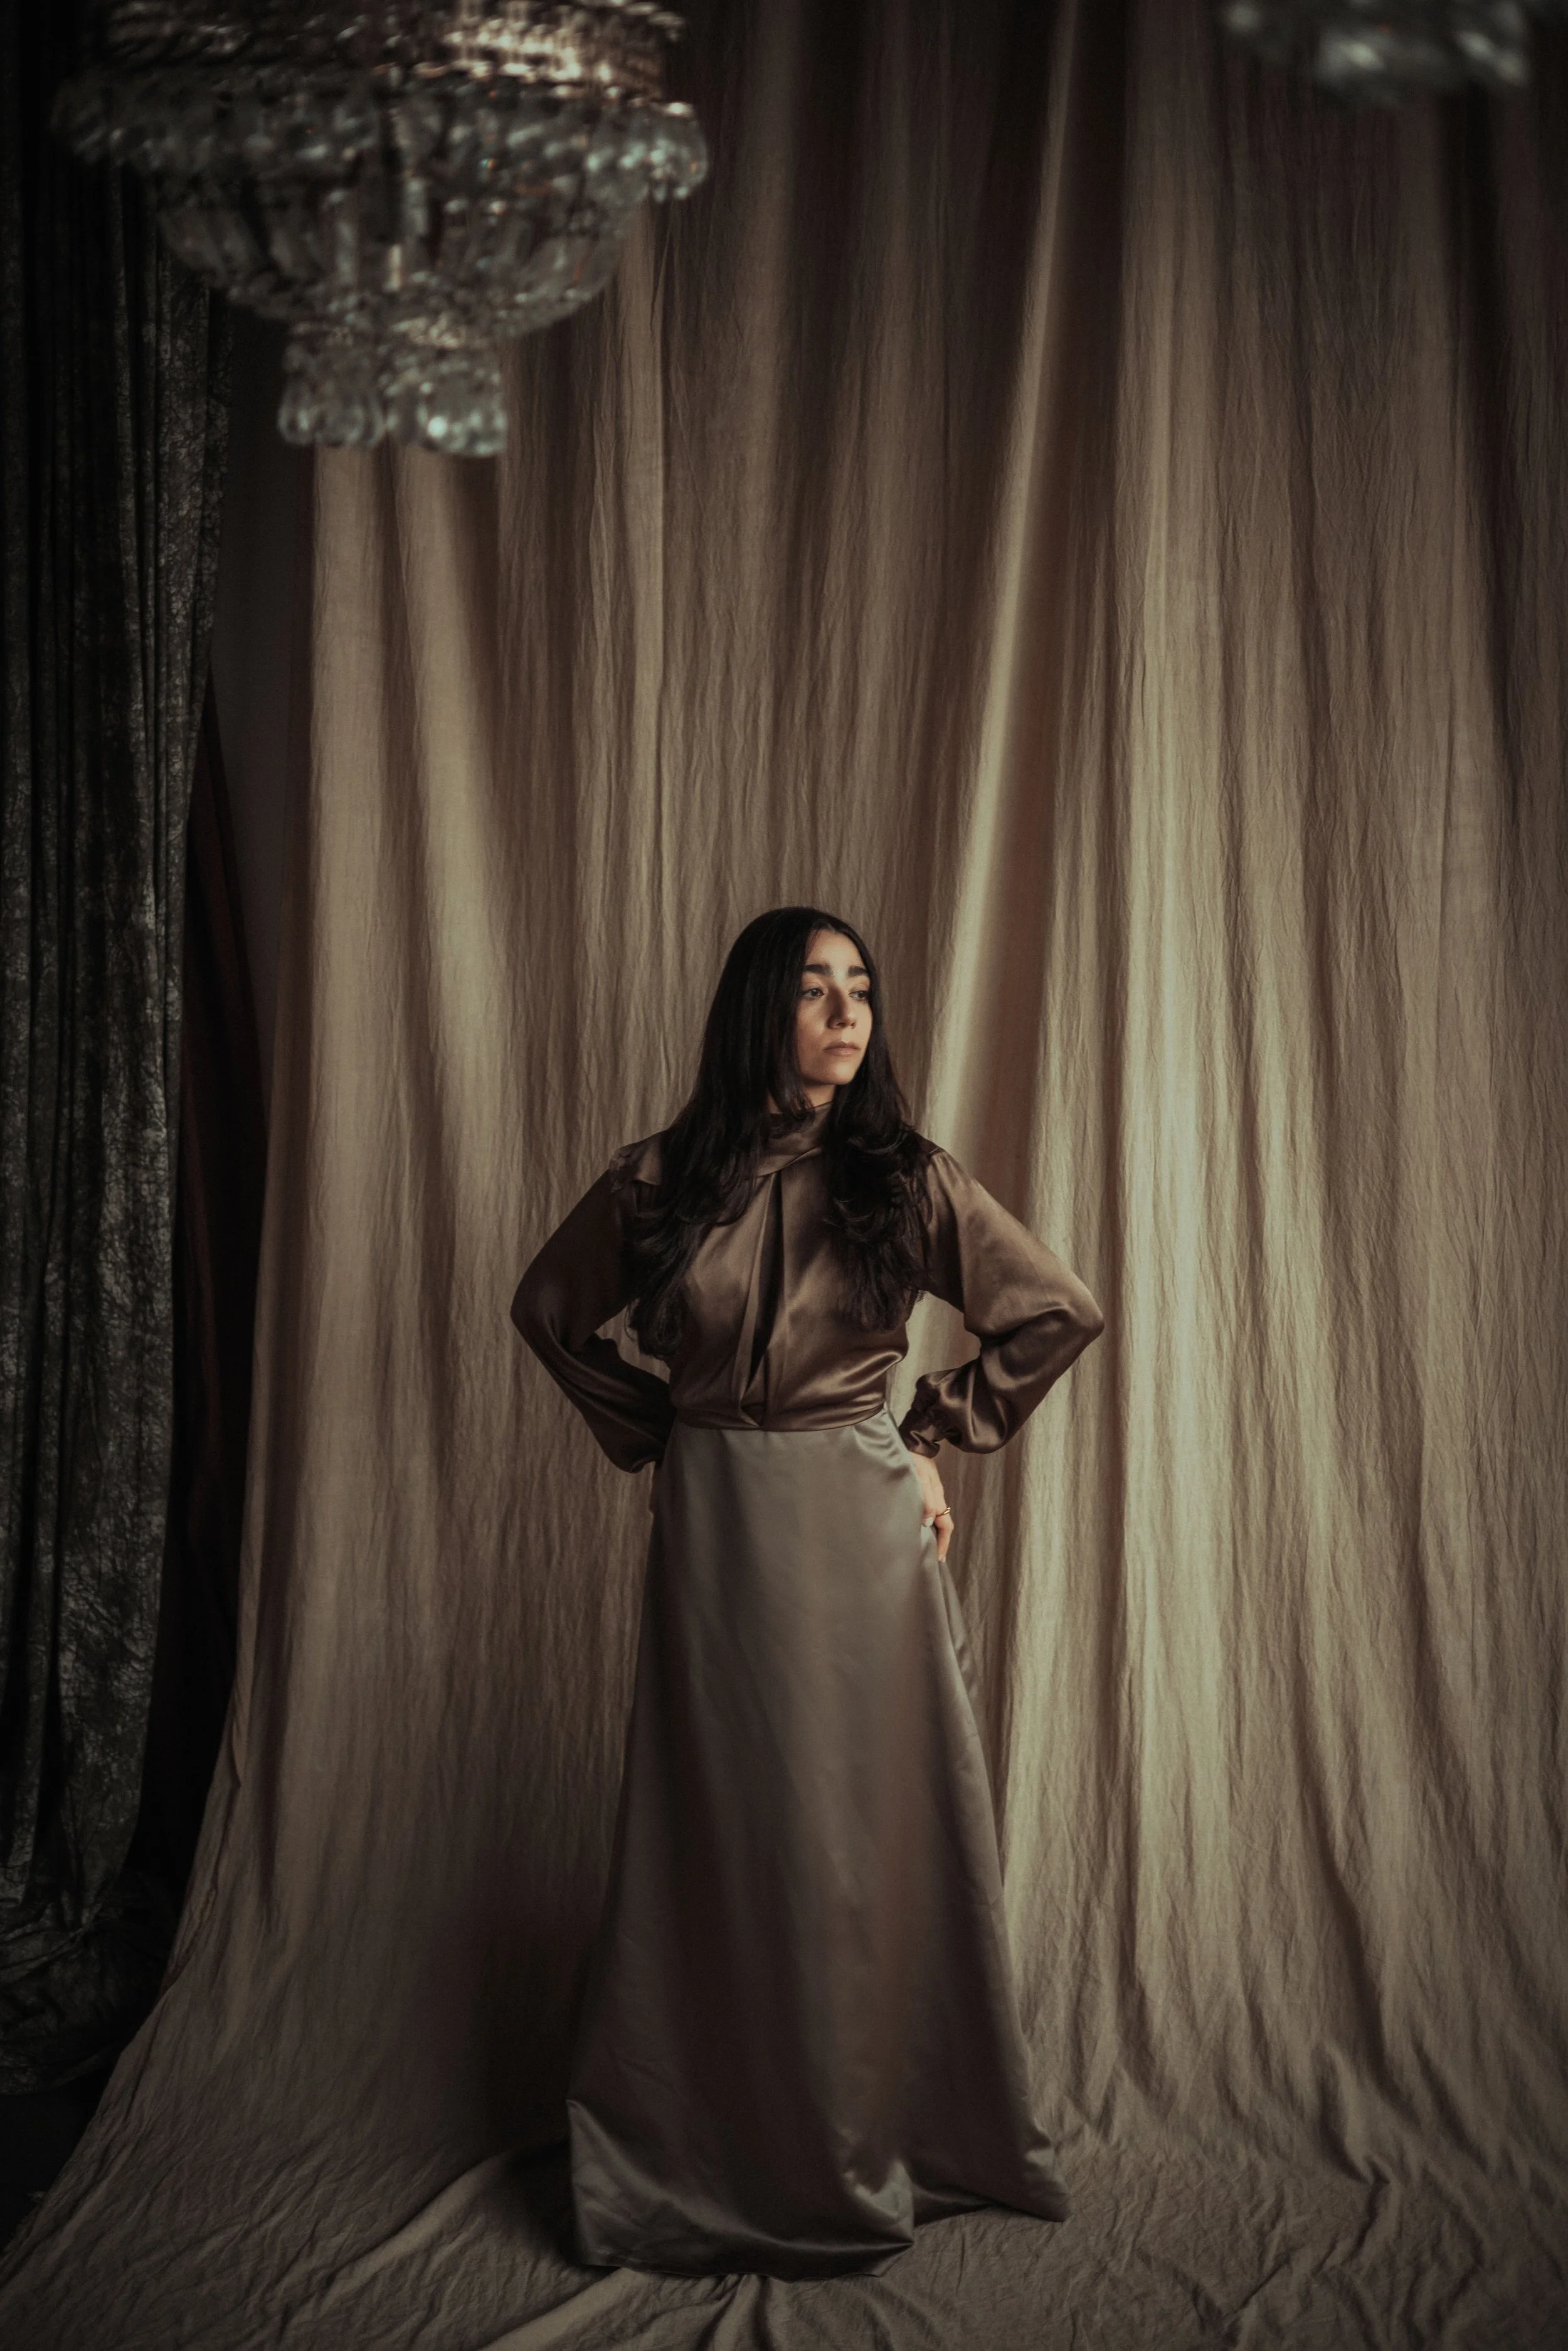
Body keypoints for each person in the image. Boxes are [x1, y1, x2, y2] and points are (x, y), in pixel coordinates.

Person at [511, 904, 1104, 2279]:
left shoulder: (903, 1176)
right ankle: (702, 2140)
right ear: (755, 1011)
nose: (847, 1011)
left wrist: (922, 1430)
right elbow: (544, 1308)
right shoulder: (657, 1181)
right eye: (813, 988)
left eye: (862, 988)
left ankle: (869, 2135)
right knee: (715, 1828)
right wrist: (663, 1430)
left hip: (856, 1533)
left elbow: (1053, 1308)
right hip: (715, 1530)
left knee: (850, 1840)